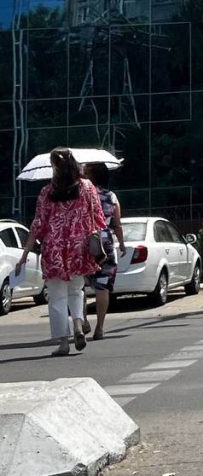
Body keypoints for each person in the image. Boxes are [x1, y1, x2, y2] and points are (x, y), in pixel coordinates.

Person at [16, 148, 106, 356]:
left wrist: (25, 253)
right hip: (78, 247)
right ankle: (78, 325)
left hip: (53, 249)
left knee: (57, 297)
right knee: (77, 290)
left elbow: (38, 225)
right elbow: (98, 216)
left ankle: (64, 342)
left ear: (54, 167)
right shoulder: (88, 187)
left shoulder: (47, 192)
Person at [82, 162, 126, 341]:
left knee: (80, 286)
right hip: (105, 242)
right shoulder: (111, 196)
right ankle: (99, 328)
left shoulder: (79, 195)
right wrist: (121, 243)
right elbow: (117, 223)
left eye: (85, 173)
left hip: (83, 242)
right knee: (102, 285)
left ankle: (83, 320)